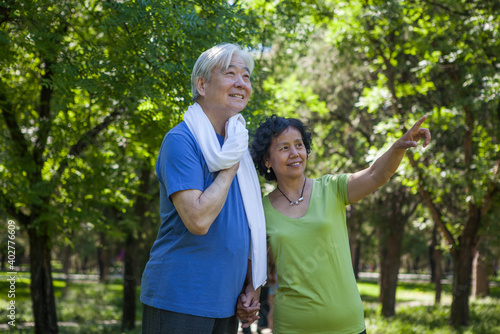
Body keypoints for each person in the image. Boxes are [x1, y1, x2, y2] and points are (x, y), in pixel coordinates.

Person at [250, 115, 431, 334]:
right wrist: (250, 297)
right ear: (267, 160)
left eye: (299, 145)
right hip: (292, 327)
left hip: (348, 326)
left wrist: (399, 147)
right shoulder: (261, 210)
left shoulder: (331, 189)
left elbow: (376, 174)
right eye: (284, 147)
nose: (295, 153)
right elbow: (254, 263)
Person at [140, 43, 267, 334]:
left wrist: (252, 285)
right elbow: (198, 220)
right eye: (230, 73)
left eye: (246, 77)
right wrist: (228, 170)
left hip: (225, 303)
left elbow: (246, 225)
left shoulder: (236, 143)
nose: (241, 83)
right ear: (202, 84)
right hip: (179, 299)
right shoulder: (182, 140)